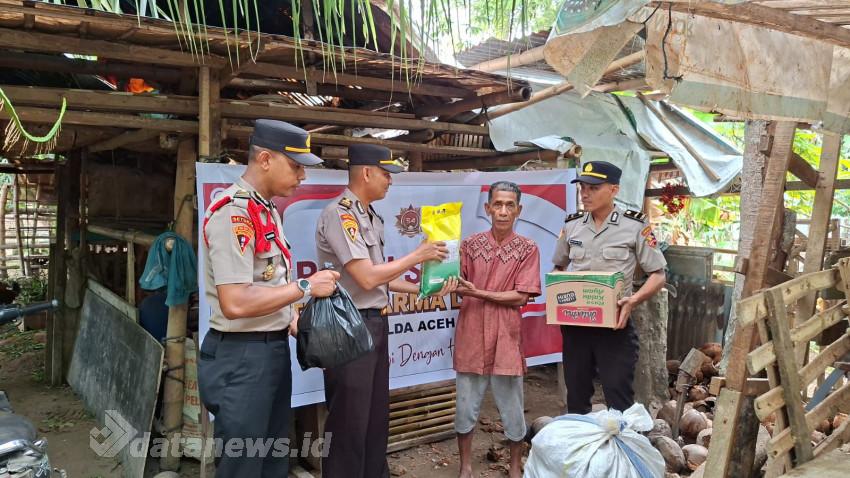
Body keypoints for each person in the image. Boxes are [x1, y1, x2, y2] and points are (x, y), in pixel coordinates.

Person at [198, 119, 339, 477]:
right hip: (241, 356)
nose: (302, 177)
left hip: (270, 351)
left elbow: (268, 281)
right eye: (295, 167)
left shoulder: (267, 211)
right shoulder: (234, 214)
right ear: (264, 159)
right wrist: (305, 287)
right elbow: (236, 303)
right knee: (243, 464)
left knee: (274, 460)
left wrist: (290, 319)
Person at [315, 144, 457, 478]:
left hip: (375, 324)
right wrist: (417, 256)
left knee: (375, 419)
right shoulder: (341, 214)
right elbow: (365, 278)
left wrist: (426, 288)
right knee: (349, 424)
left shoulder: (370, 216)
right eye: (385, 173)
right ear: (366, 172)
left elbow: (380, 279)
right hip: (347, 327)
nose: (389, 181)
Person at [552, 161, 667, 414]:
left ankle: (621, 451)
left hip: (615, 325)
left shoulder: (634, 225)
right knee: (577, 395)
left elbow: (658, 275)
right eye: (582, 187)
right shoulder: (571, 225)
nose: (585, 193)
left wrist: (633, 301)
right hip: (576, 326)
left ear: (614, 190)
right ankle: (582, 450)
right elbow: (558, 267)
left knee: (619, 397)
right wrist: (559, 292)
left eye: (593, 188)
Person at [452, 181, 541, 478]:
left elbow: (521, 296)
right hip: (471, 335)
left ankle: (516, 466)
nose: (503, 211)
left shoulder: (528, 249)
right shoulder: (469, 245)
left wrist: (477, 293)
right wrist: (442, 278)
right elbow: (456, 287)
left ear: (519, 210)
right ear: (487, 208)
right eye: (498, 205)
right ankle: (465, 466)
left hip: (506, 338)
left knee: (513, 409)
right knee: (465, 407)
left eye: (509, 205)